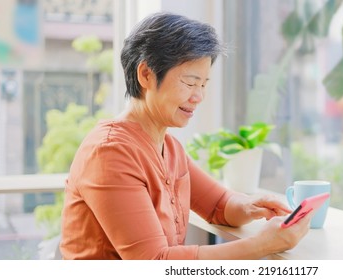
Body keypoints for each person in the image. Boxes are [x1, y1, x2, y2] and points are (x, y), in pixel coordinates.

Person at [59, 12, 312, 260]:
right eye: (190, 83)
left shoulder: (169, 147)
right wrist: (262, 245)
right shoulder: (109, 152)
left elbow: (219, 205)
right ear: (146, 74)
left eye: (203, 84)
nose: (198, 96)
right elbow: (154, 262)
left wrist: (253, 206)